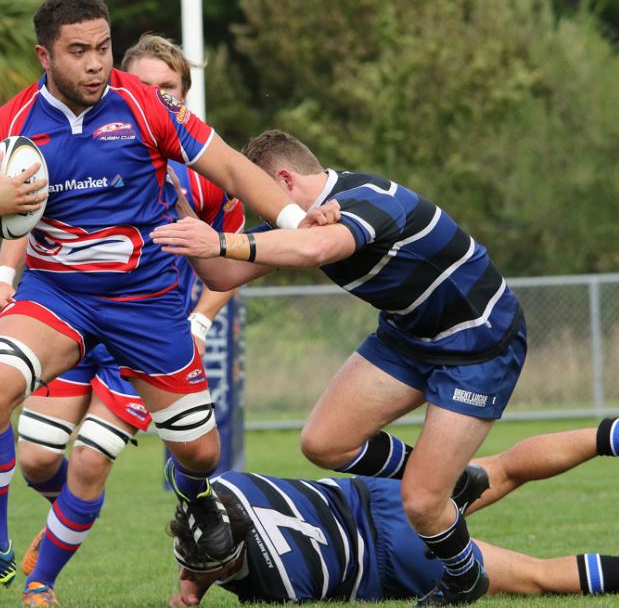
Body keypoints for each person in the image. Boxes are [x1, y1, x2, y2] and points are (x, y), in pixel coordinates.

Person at [0, 0, 324, 601]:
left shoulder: (146, 107)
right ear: (44, 55)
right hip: (58, 296)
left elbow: (235, 173)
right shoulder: (7, 126)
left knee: (201, 452)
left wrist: (299, 222)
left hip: (147, 305)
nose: (95, 64)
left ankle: (194, 496)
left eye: (103, 48)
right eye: (78, 51)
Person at [152, 130, 529, 605]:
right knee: (324, 442)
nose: (258, 211)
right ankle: (452, 480)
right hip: (410, 337)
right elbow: (223, 272)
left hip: (480, 341)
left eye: (259, 197)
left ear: (283, 181)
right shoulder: (305, 222)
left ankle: (463, 576)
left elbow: (314, 251)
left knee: (420, 502)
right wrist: (183, 217)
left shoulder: (370, 198)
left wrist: (223, 240)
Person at [0, 32, 247, 607]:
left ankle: (40, 581)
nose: (154, 94)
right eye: (144, 84)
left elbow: (231, 262)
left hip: (145, 331)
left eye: (166, 88)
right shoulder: (77, 138)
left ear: (183, 95)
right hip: (75, 325)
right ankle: (70, 515)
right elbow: (27, 219)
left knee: (91, 456)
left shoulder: (201, 174)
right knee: (36, 458)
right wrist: (4, 280)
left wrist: (199, 321)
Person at [166, 417, 619, 605]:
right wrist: (196, 580)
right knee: (506, 466)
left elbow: (236, 568)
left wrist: (193, 587)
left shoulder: (279, 587)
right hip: (385, 493)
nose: (190, 571)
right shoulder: (226, 485)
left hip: (394, 558)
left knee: (539, 577)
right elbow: (187, 478)